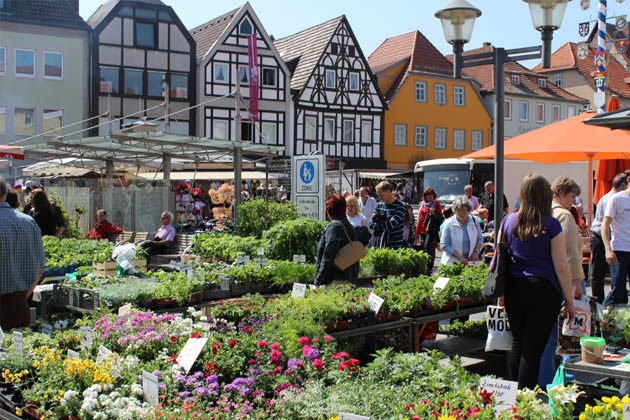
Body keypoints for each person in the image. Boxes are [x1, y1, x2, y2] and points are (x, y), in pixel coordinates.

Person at [498, 173, 575, 390]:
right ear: (544, 196)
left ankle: (512, 397)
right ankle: (525, 400)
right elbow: (562, 266)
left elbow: (501, 259)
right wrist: (569, 300)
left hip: (514, 288)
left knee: (517, 345)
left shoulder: (508, 221)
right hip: (543, 290)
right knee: (533, 352)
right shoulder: (551, 225)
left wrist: (502, 294)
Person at [538, 176, 586, 388]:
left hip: (548, 281)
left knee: (548, 340)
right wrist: (575, 283)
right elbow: (571, 255)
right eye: (572, 196)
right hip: (567, 281)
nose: (573, 201)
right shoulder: (564, 216)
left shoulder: (544, 213)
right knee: (571, 337)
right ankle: (568, 382)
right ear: (561, 193)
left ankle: (545, 383)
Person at [0, 176, 46, 330]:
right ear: (5, 193)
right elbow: (40, 268)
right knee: (18, 352)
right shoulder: (28, 222)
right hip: (20, 305)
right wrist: (22, 296)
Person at [590, 173, 627, 303]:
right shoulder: (612, 199)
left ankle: (616, 307)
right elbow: (607, 225)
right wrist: (609, 248)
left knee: (617, 283)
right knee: (599, 276)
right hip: (603, 240)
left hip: (612, 241)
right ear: (625, 183)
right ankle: (600, 308)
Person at [315, 194, 360, 285]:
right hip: (349, 277)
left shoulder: (334, 227)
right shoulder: (348, 225)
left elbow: (328, 255)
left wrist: (318, 280)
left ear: (329, 210)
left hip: (335, 279)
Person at [602, 177, 630, 304]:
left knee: (621, 294)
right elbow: (605, 225)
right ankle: (600, 319)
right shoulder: (616, 199)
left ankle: (622, 322)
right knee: (617, 291)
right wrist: (608, 249)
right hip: (620, 250)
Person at [439, 196, 483, 266]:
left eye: (464, 210)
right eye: (459, 210)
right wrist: (460, 257)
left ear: (468, 210)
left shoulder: (475, 221)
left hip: (469, 262)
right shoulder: (448, 223)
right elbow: (444, 245)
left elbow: (480, 239)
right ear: (455, 211)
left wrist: (476, 251)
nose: (462, 213)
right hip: (451, 263)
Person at [369, 181, 407, 249]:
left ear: (389, 192)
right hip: (379, 245)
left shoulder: (400, 206)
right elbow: (370, 223)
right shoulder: (379, 205)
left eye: (381, 195)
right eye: (378, 195)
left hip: (394, 247)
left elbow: (391, 224)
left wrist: (378, 223)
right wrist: (384, 224)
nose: (380, 198)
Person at [415, 187, 443, 274]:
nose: (430, 196)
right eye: (428, 195)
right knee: (424, 248)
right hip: (423, 230)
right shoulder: (422, 205)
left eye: (431, 195)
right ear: (425, 196)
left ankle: (429, 268)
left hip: (431, 230)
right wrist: (417, 232)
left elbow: (441, 218)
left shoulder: (436, 204)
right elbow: (420, 218)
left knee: (429, 248)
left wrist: (434, 213)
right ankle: (424, 267)